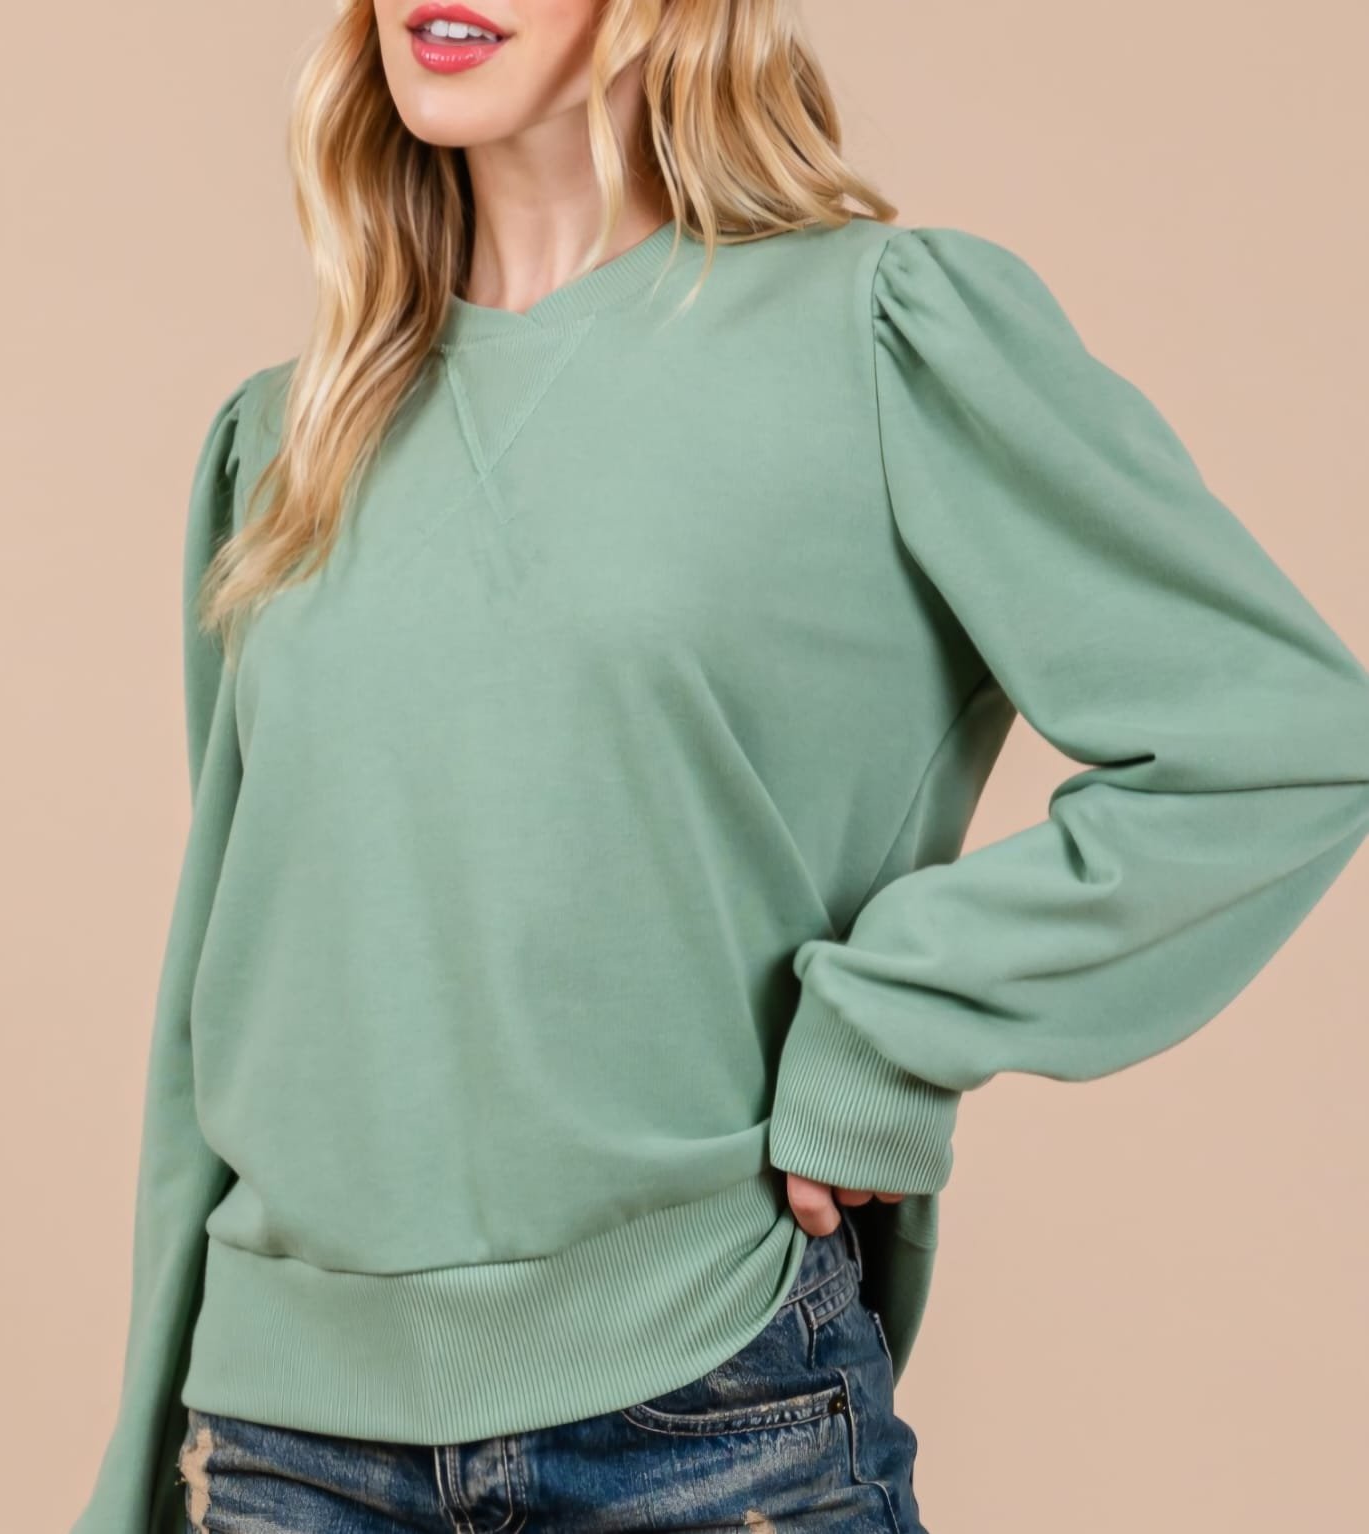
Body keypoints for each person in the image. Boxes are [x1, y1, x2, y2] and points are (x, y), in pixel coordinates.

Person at [71, 2, 1369, 1531]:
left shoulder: (875, 336)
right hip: (285, 1441)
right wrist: (134, 1468)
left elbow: (1277, 737)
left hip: (701, 1411)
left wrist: (893, 1025)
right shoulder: (288, 438)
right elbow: (227, 992)